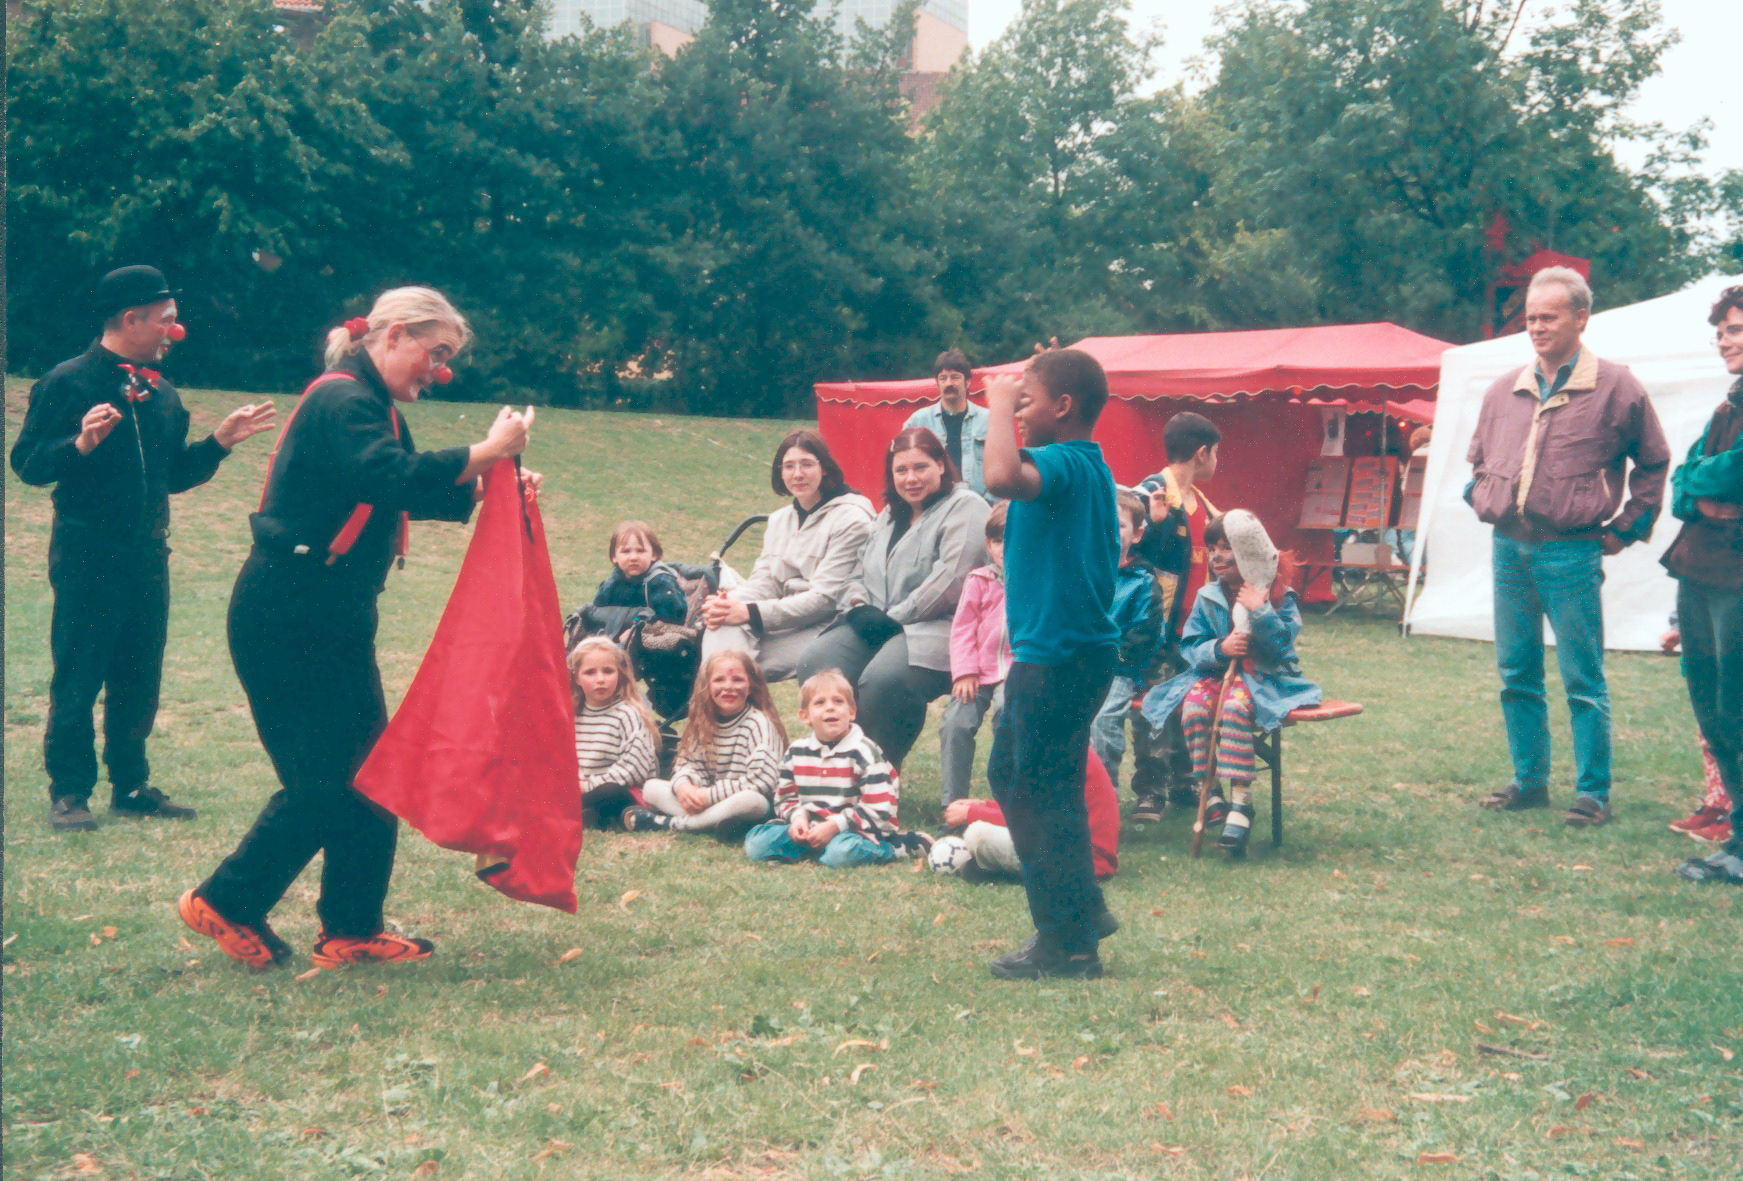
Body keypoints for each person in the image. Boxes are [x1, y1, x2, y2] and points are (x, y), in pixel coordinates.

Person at [179, 288, 536, 970]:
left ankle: (351, 928)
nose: (440, 372)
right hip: (288, 612)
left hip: (331, 613)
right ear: (394, 334)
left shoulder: (373, 406)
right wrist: (487, 450)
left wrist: (488, 484)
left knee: (374, 774)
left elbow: (398, 490)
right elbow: (384, 474)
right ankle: (225, 900)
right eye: (436, 353)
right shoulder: (341, 399)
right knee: (324, 783)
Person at [10, 265, 279, 832]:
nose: (174, 332)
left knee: (138, 676)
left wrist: (219, 443)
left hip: (148, 556)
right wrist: (79, 443)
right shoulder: (66, 383)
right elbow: (28, 464)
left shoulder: (162, 394)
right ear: (130, 319)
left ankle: (131, 786)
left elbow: (173, 475)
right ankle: (70, 792)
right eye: (166, 320)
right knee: (80, 673)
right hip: (87, 554)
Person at [1467, 266, 1670, 828]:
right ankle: (1529, 781)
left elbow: (1653, 461)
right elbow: (1478, 459)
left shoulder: (1617, 387)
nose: (1536, 327)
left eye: (1548, 317)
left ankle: (1592, 794)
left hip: (1571, 552)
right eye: (1531, 318)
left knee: (1583, 678)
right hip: (1508, 549)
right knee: (1516, 672)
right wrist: (1482, 497)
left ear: (1581, 318)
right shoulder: (1503, 390)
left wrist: (1626, 529)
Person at [979, 349, 1120, 980]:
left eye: (1027, 402)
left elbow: (1000, 477)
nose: (1016, 412)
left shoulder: (1066, 461)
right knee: (1015, 774)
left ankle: (1068, 942)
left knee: (1040, 790)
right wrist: (1015, 404)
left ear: (1063, 408)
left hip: (1060, 658)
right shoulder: (1079, 467)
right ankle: (1080, 911)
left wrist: (996, 405)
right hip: (1062, 654)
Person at [795, 428, 990, 769]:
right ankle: (834, 765)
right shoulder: (888, 514)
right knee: (818, 661)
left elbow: (950, 580)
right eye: (901, 470)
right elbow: (858, 569)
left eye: (920, 467)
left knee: (884, 680)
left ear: (941, 465)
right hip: (877, 621)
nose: (910, 478)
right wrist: (858, 606)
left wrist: (892, 618)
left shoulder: (967, 507)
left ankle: (878, 772)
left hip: (941, 626)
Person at [1143, 515, 1319, 855]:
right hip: (1215, 676)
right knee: (1194, 705)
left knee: (1235, 706)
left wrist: (1261, 611)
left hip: (1262, 680)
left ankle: (1241, 803)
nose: (1216, 557)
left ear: (1250, 553)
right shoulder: (1208, 595)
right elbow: (1190, 645)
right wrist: (1219, 649)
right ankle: (1210, 789)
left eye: (1227, 548)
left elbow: (1283, 646)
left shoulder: (1278, 596)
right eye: (1212, 549)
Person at [1661, 284, 1743, 884]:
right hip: (1700, 573)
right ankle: (1737, 840)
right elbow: (1683, 482)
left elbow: (1731, 470)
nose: (1723, 342)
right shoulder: (1726, 407)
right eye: (1720, 333)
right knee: (1713, 713)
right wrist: (1702, 493)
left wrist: (1703, 482)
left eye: (1735, 331)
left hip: (1736, 579)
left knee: (1737, 710)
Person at [700, 430, 875, 682]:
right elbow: (765, 582)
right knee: (721, 639)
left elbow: (825, 599)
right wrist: (725, 605)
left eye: (807, 464)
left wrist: (749, 612)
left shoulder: (852, 520)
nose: (797, 474)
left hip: (831, 624)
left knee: (731, 669)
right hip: (783, 619)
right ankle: (722, 700)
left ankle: (722, 700)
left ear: (825, 468)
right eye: (789, 466)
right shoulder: (779, 520)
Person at [1132, 413, 1222, 820]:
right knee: (1154, 706)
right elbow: (1125, 547)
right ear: (1202, 453)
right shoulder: (1150, 494)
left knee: (1190, 705)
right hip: (1157, 628)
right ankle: (1151, 790)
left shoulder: (1204, 506)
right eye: (1216, 452)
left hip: (1195, 632)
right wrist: (1154, 525)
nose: (1217, 460)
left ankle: (1187, 782)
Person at [744, 670, 904, 867]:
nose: (830, 708)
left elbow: (880, 808)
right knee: (756, 843)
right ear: (805, 716)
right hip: (812, 826)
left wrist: (836, 825)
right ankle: (815, 847)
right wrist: (798, 818)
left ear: (852, 712)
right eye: (820, 702)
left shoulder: (864, 752)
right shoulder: (796, 751)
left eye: (838, 701)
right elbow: (785, 797)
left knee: (841, 853)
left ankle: (894, 848)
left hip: (854, 830)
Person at [623, 649, 787, 835]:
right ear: (706, 686)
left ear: (750, 687)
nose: (728, 687)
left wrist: (708, 796)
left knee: (751, 801)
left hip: (745, 800)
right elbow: (688, 765)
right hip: (708, 801)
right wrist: (685, 788)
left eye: (737, 680)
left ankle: (671, 823)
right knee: (651, 788)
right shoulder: (703, 722)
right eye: (719, 680)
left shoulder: (759, 724)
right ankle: (712, 821)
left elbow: (762, 781)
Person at [940, 751, 1120, 888]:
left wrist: (971, 813)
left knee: (977, 834)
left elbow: (1029, 819)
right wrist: (984, 805)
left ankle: (992, 869)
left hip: (1080, 865)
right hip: (1081, 858)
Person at [1088, 488, 1164, 800]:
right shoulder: (1083, 575)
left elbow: (1144, 635)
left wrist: (1109, 659)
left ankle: (1103, 798)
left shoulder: (1143, 582)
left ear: (1137, 534)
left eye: (1118, 524)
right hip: (1079, 668)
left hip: (1120, 671)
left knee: (1103, 717)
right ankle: (1064, 796)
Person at [938, 501, 1011, 815]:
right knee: (955, 723)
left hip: (1017, 671)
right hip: (978, 672)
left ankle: (1008, 805)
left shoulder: (1038, 581)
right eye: (998, 541)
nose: (1005, 548)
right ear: (988, 545)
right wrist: (965, 671)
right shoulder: (979, 580)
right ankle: (952, 805)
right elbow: (963, 629)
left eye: (1015, 539)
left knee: (1008, 714)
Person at [569, 637, 661, 830]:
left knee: (609, 792)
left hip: (621, 788)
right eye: (590, 672)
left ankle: (585, 812)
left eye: (608, 671)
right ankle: (589, 814)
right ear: (577, 678)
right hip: (578, 788)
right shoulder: (573, 714)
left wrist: (587, 786)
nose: (600, 679)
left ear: (619, 673)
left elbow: (635, 768)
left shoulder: (627, 714)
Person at [1661, 623, 1733, 844]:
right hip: (1707, 629)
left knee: (1734, 731)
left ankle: (1736, 814)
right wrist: (1680, 624)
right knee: (1709, 732)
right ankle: (1717, 803)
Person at [903, 348, 990, 499]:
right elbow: (904, 465)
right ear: (937, 383)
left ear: (967, 382)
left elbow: (1002, 467)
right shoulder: (917, 422)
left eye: (955, 377)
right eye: (943, 378)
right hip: (935, 505)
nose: (949, 383)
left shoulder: (989, 420)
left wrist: (987, 504)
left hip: (983, 505)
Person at [592, 520, 689, 630]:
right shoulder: (609, 586)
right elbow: (597, 617)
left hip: (653, 637)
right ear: (614, 556)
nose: (633, 557)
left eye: (640, 551)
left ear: (654, 554)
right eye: (626, 551)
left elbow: (673, 621)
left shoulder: (661, 583)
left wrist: (638, 630)